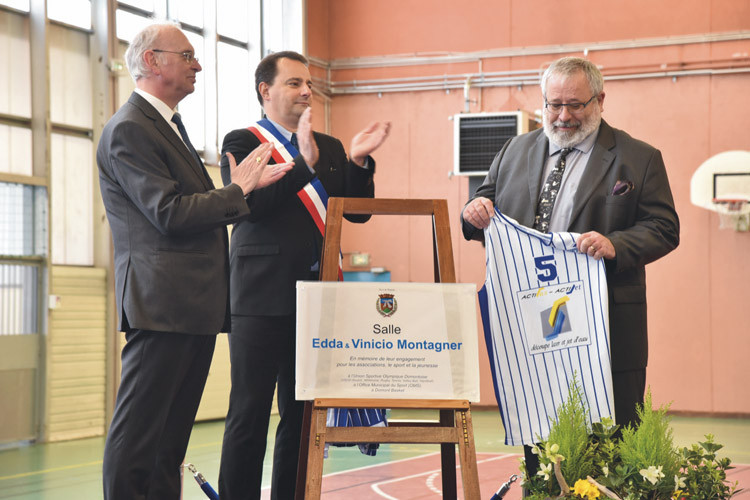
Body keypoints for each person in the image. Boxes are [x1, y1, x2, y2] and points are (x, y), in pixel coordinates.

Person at [97, 23, 291, 500]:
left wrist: (241, 190)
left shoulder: (164, 126)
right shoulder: (129, 130)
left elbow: (189, 204)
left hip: (192, 307)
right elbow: (168, 213)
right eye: (186, 56)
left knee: (169, 443)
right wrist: (236, 191)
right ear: (151, 62)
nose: (197, 65)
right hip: (162, 306)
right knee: (140, 437)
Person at [461, 56, 679, 477]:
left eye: (575, 105)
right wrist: (473, 211)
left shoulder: (639, 157)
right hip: (531, 325)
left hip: (608, 325)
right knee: (540, 440)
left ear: (600, 100)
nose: (563, 116)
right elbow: (482, 207)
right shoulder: (514, 150)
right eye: (553, 104)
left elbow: (664, 227)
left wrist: (615, 244)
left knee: (613, 448)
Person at [217, 51, 390, 499]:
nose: (306, 91)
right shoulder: (242, 142)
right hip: (259, 298)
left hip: (317, 299)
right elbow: (250, 208)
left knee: (302, 417)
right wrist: (304, 165)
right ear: (265, 91)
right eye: (294, 83)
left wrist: (357, 163)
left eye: (308, 84)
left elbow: (358, 217)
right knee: (248, 414)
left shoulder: (328, 145)